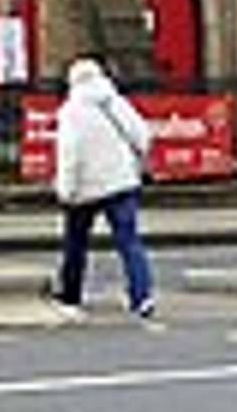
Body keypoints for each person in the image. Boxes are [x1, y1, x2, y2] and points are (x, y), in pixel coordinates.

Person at [46, 55, 157, 320]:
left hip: (86, 188)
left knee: (75, 243)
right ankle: (142, 295)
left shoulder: (71, 112)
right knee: (129, 241)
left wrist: (65, 189)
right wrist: (134, 163)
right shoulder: (115, 102)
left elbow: (69, 155)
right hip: (120, 182)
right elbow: (142, 136)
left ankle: (71, 294)